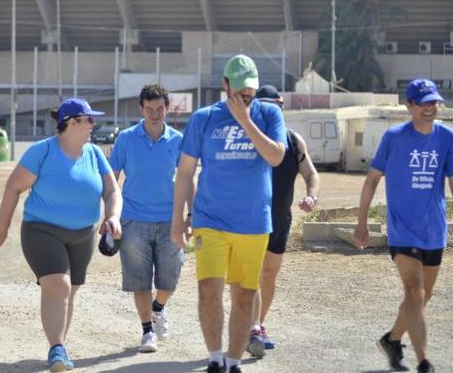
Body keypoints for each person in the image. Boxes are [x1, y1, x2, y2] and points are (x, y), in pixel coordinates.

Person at [172, 55, 286, 373]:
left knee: (245, 295)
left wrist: (247, 122)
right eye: (238, 93)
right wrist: (176, 221)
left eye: (249, 92)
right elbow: (184, 172)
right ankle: (214, 359)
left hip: (253, 222)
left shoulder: (269, 113)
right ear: (224, 86)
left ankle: (234, 362)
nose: (245, 98)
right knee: (208, 290)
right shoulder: (204, 118)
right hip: (210, 219)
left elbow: (277, 157)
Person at [0, 98, 123, 373]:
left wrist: (112, 216)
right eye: (89, 120)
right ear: (72, 123)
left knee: (69, 290)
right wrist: (2, 228)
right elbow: (13, 187)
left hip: (83, 234)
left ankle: (59, 346)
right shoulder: (43, 152)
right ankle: (56, 349)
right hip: (42, 229)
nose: (93, 125)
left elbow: (112, 192)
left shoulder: (94, 153)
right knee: (58, 286)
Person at [354, 78, 453, 373]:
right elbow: (371, 179)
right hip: (402, 228)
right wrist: (362, 223)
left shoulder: (447, 138)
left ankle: (392, 339)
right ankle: (424, 362)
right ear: (409, 106)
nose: (430, 108)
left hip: (433, 230)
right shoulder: (394, 138)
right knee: (415, 291)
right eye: (423, 103)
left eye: (433, 102)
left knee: (421, 297)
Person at [108, 84, 191, 353]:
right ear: (141, 109)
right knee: (139, 279)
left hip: (170, 220)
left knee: (169, 279)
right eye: (149, 109)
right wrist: (111, 215)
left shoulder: (179, 140)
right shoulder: (126, 138)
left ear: (167, 108)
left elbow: (187, 179)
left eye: (160, 109)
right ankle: (147, 332)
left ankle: (158, 308)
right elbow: (112, 178)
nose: (155, 114)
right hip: (132, 219)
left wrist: (191, 214)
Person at [247, 85, 320, 356]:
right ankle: (252, 326)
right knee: (251, 276)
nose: (268, 111)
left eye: (273, 106)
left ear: (280, 107)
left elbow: (311, 174)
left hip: (280, 219)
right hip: (250, 219)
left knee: (269, 274)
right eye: (262, 106)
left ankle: (259, 323)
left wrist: (312, 197)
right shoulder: (248, 139)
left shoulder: (293, 141)